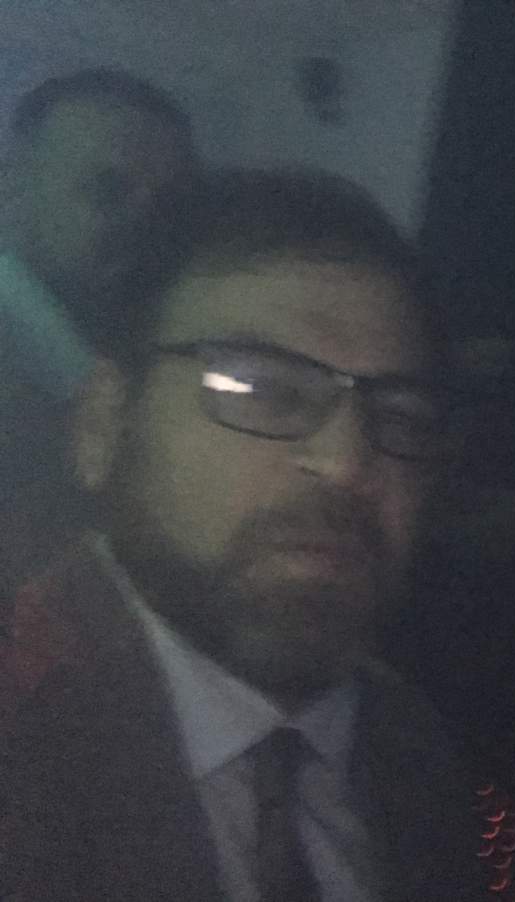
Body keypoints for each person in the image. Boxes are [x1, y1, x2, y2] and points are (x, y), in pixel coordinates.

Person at [0, 168, 484, 901]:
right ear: (104, 423)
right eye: (260, 387)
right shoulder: (23, 722)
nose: (348, 462)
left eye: (401, 417)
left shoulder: (417, 747)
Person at [0, 67, 197, 599]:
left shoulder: (151, 356)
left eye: (168, 208)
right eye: (107, 190)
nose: (143, 224)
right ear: (12, 183)